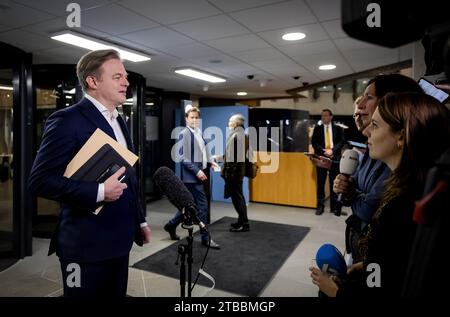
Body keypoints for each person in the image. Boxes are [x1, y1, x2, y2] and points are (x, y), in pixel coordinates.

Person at [28, 49, 151, 297]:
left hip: (119, 241)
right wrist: (99, 191)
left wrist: (140, 220)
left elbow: (129, 175)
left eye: (125, 76)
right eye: (117, 77)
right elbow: (39, 181)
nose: (126, 82)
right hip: (84, 246)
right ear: (92, 81)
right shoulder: (67, 120)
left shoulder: (120, 119)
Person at [310, 92, 450, 297]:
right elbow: (392, 268)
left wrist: (334, 290)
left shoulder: (401, 207)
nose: (367, 133)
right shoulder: (412, 189)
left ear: (401, 135)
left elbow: (378, 292)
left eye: (375, 125)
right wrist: (369, 266)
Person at [333, 74, 424, 263]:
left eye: (375, 125)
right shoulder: (375, 150)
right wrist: (351, 191)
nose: (360, 105)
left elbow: (369, 209)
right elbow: (358, 190)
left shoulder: (401, 198)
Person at [164, 106, 221, 249]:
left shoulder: (199, 133)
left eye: (196, 117)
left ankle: (171, 225)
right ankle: (206, 238)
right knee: (202, 207)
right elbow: (183, 158)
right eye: (192, 117)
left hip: (198, 176)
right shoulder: (184, 134)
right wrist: (197, 171)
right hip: (191, 178)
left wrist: (210, 162)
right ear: (186, 119)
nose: (195, 120)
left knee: (188, 206)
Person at [311, 109, 345, 216]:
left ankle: (334, 208)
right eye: (322, 116)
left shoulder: (338, 129)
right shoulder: (317, 129)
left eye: (326, 115)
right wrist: (324, 151)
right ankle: (320, 207)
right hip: (321, 159)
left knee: (333, 183)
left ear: (331, 117)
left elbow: (342, 141)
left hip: (334, 159)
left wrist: (332, 150)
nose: (323, 117)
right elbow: (314, 143)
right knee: (320, 183)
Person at [220, 114, 251, 232]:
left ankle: (244, 224)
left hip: (234, 174)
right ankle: (241, 221)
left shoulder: (236, 136)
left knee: (237, 198)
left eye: (230, 121)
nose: (228, 123)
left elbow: (233, 158)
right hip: (238, 172)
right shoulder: (243, 135)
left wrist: (228, 173)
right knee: (238, 197)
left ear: (236, 124)